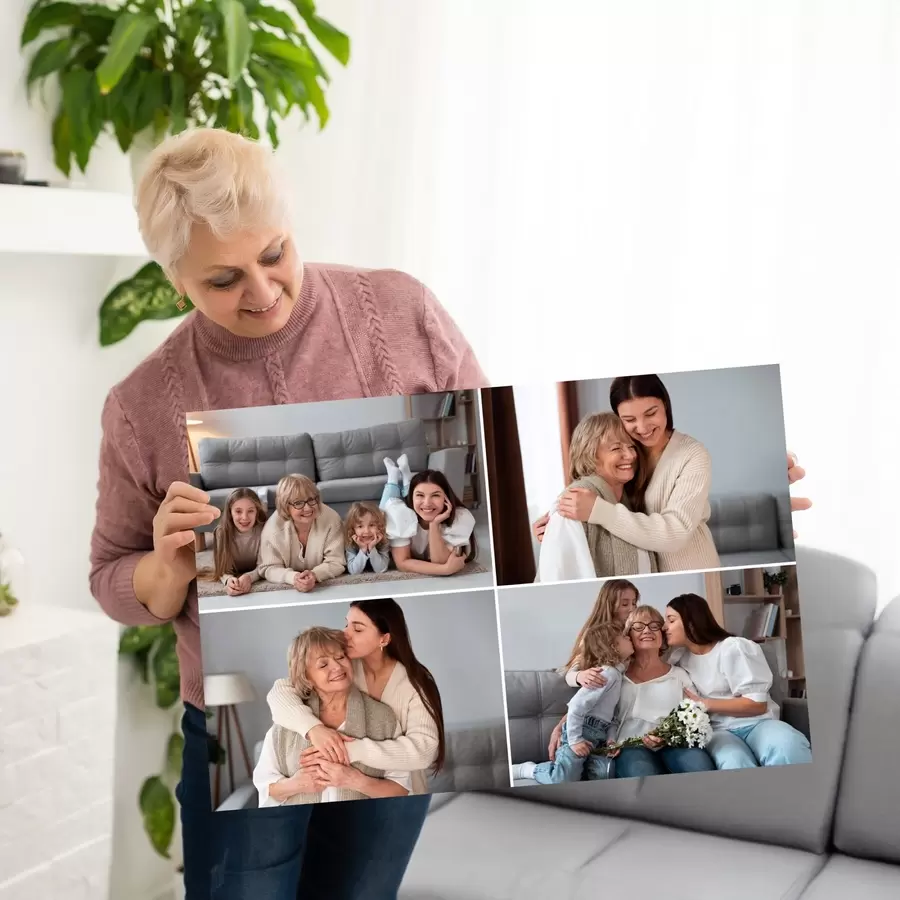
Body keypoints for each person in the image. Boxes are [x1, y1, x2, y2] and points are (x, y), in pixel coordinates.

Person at [88, 127, 486, 898]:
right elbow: (110, 578)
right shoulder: (140, 404)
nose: (263, 292)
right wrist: (165, 571)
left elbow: (511, 486)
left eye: (275, 253)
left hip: (382, 704)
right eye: (223, 278)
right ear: (176, 280)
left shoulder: (400, 310)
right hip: (243, 727)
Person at [533, 376, 812, 567]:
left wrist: (597, 512)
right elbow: (597, 497)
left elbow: (676, 532)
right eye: (629, 419)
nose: (642, 427)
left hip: (690, 565)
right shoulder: (626, 455)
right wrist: (561, 526)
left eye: (651, 413)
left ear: (665, 405)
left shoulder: (693, 455)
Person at [267, 598, 444, 794]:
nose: (345, 634)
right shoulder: (344, 669)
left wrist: (348, 751)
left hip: (399, 791)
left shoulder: (415, 682)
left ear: (383, 639)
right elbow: (280, 691)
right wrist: (313, 729)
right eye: (346, 624)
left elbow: (424, 751)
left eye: (357, 629)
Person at [254, 627, 411, 805]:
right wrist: (297, 784)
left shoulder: (384, 719)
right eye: (323, 664)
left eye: (340, 657)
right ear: (306, 676)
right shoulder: (285, 722)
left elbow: (401, 789)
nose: (337, 667)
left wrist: (356, 781)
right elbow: (266, 788)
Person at [664, 593, 812, 769]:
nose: (665, 627)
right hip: (719, 731)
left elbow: (756, 705)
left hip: (758, 723)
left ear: (691, 621)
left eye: (671, 620)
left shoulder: (733, 648)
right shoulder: (679, 658)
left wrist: (704, 704)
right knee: (734, 761)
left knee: (787, 746)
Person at [600, 605, 715, 778]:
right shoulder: (616, 676)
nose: (647, 630)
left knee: (702, 771)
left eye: (654, 626)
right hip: (631, 745)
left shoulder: (679, 674)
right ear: (628, 635)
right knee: (642, 779)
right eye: (638, 626)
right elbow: (602, 713)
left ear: (662, 635)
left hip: (676, 743)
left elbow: (695, 713)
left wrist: (667, 737)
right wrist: (610, 740)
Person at [512, 622, 633, 784]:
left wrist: (611, 739)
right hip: (580, 731)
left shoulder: (617, 674)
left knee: (602, 775)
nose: (629, 638)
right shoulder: (607, 673)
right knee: (562, 780)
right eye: (625, 637)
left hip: (599, 736)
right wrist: (575, 740)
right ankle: (529, 769)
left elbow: (612, 716)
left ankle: (580, 767)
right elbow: (576, 706)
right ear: (614, 646)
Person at [541, 412, 655, 578]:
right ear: (590, 454)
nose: (631, 456)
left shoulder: (630, 503)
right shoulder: (571, 507)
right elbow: (559, 576)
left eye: (631, 447)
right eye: (616, 448)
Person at [546, 579, 641, 759]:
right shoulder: (596, 636)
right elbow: (571, 674)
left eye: (634, 602)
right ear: (609, 604)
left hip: (614, 714)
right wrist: (580, 675)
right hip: (593, 712)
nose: (631, 608)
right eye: (625, 603)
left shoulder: (632, 634)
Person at [380, 456, 476, 576]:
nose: (427, 503)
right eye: (420, 495)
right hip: (405, 506)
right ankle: (400, 478)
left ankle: (406, 477)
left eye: (435, 495)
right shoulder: (401, 514)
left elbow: (441, 561)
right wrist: (445, 570)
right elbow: (402, 563)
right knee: (384, 508)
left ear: (446, 497)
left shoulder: (460, 516)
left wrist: (434, 524)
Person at [257, 474, 345, 592]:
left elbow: (337, 562)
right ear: (285, 506)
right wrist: (293, 578)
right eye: (298, 503)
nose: (308, 508)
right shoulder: (272, 529)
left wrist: (315, 575)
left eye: (311, 500)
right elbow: (268, 568)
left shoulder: (332, 519)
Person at [205, 488, 267, 596]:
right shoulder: (221, 533)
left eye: (251, 511)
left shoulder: (265, 530)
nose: (244, 517)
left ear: (257, 512)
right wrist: (228, 580)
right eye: (238, 511)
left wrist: (250, 577)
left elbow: (266, 566)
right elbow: (222, 569)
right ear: (230, 512)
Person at [344, 502, 391, 575]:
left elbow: (381, 569)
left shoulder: (383, 540)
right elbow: (353, 571)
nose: (366, 531)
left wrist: (372, 548)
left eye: (372, 525)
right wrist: (363, 549)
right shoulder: (350, 542)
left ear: (379, 526)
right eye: (360, 526)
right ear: (353, 529)